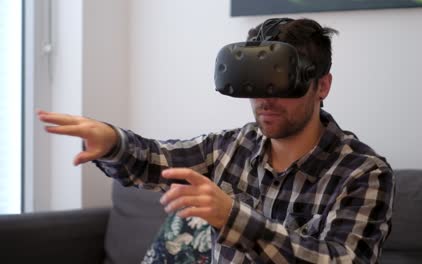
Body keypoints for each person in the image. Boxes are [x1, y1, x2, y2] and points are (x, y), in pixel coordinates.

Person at [38, 17, 394, 263]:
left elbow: (342, 260)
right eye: (255, 83)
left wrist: (232, 218)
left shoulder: (362, 174)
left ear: (322, 85)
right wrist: (113, 142)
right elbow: (154, 159)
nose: (265, 100)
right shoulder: (229, 149)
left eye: (282, 83)